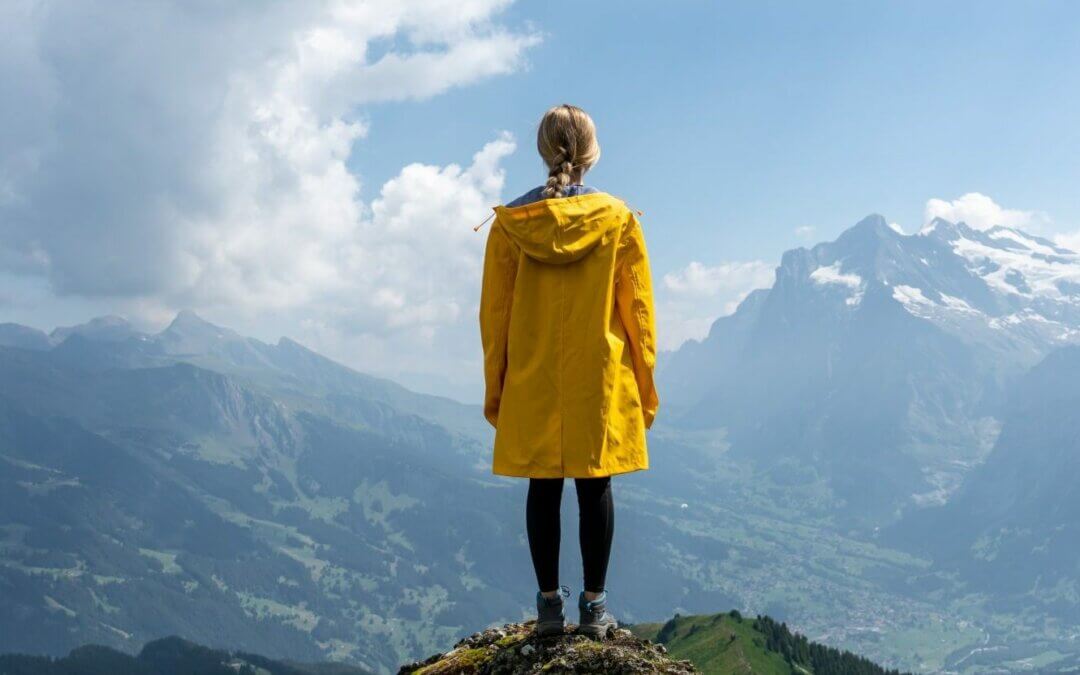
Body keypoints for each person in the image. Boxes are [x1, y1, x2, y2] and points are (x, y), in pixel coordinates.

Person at [478, 104, 659, 638]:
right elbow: (639, 315)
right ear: (591, 152)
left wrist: (498, 387)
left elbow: (495, 315)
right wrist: (645, 384)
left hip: (533, 372)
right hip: (598, 375)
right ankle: (596, 608)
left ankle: (549, 610)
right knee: (594, 483)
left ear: (543, 150)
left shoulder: (512, 226)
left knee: (542, 483)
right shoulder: (618, 219)